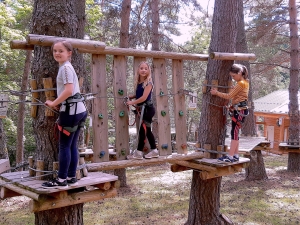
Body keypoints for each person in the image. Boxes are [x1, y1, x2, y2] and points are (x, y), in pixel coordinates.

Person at [42, 40, 87, 188]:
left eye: (60, 51)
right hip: (79, 110)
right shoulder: (66, 67)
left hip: (71, 112)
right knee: (72, 145)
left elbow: (68, 90)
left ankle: (61, 180)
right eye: (55, 50)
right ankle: (71, 177)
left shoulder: (65, 68)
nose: (57, 53)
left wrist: (53, 103)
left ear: (69, 53)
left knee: (64, 146)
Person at [210, 64, 249, 163]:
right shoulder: (244, 83)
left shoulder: (241, 83)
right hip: (239, 110)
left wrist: (216, 92)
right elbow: (238, 97)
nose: (233, 78)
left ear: (239, 73)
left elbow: (229, 96)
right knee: (235, 133)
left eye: (233, 76)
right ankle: (235, 155)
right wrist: (232, 106)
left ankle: (230, 156)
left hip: (240, 111)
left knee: (234, 133)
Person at [126, 61, 158, 160]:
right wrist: (131, 96)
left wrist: (131, 103)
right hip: (143, 109)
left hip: (147, 110)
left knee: (143, 131)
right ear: (138, 70)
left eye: (145, 68)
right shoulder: (140, 83)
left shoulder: (149, 83)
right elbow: (140, 94)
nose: (143, 70)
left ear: (149, 71)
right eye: (141, 68)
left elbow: (144, 98)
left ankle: (139, 153)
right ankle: (153, 151)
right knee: (146, 131)